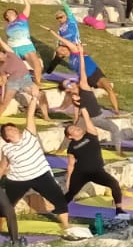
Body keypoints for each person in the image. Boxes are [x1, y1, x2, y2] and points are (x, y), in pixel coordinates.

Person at [0, 98, 78, 237]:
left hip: (41, 175)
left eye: (12, 127)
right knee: (6, 205)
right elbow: (3, 166)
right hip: (18, 179)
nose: (11, 130)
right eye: (7, 131)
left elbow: (29, 116)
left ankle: (66, 226)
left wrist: (34, 98)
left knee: (59, 199)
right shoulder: (6, 148)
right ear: (6, 137)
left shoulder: (29, 136)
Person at [63, 105, 129, 217]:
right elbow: (70, 164)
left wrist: (83, 106)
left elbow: (88, 120)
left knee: (114, 184)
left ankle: (119, 209)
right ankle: (59, 209)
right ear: (70, 136)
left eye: (75, 127)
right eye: (72, 129)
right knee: (71, 193)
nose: (76, 128)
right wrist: (69, 179)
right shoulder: (72, 147)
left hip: (97, 171)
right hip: (80, 173)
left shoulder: (91, 135)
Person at [4, 2, 43, 87]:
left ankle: (37, 83)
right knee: (10, 68)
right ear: (6, 16)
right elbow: (8, 39)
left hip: (25, 46)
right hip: (13, 48)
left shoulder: (21, 19)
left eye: (12, 11)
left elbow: (28, 6)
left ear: (16, 14)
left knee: (36, 64)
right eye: (8, 12)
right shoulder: (6, 26)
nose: (10, 12)